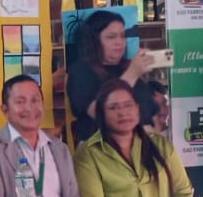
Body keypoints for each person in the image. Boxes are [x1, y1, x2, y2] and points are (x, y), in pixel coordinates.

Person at [74, 80, 195, 197]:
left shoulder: (161, 146)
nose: (123, 113)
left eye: (128, 105)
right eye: (113, 107)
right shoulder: (87, 154)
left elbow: (183, 193)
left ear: (138, 109)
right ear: (102, 113)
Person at [0, 74, 85, 197]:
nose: (29, 108)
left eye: (35, 100)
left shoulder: (59, 149)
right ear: (5, 110)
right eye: (20, 102)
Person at [65, 9, 162, 144]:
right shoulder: (81, 71)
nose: (119, 42)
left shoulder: (128, 67)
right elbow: (96, 111)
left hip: (144, 147)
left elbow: (152, 116)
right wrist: (132, 74)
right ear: (94, 40)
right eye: (111, 37)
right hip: (105, 149)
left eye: (122, 36)